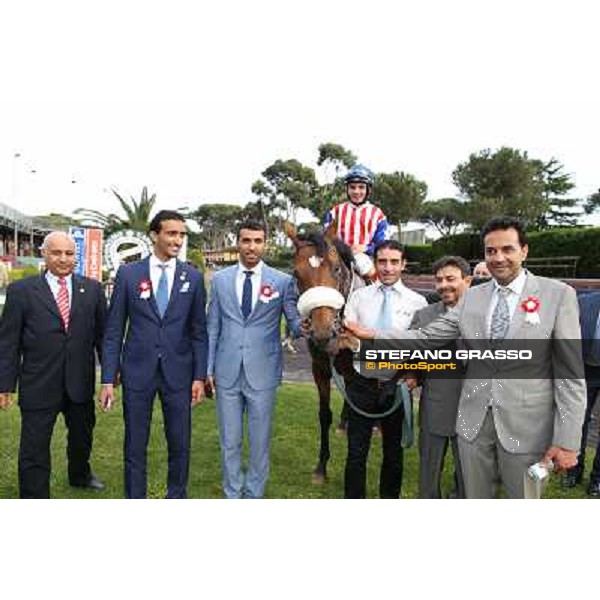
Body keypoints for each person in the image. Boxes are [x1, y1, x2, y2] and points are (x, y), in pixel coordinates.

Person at [346, 216, 586, 499]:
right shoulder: (472, 297)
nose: (498, 258)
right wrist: (370, 334)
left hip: (527, 428)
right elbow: (426, 337)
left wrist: (568, 440)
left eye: (507, 249)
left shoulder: (558, 295)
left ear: (524, 251)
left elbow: (570, 375)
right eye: (491, 251)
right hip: (472, 427)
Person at [99, 210, 208, 499]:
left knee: (180, 444)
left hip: (179, 374)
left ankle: (177, 496)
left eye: (182, 235)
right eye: (172, 233)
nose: (178, 240)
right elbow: (113, 331)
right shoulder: (128, 274)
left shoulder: (193, 278)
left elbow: (199, 333)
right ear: (154, 235)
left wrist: (199, 377)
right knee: (134, 444)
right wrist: (107, 378)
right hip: (137, 373)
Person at [0, 231, 107, 498]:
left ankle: (80, 475)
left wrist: (109, 376)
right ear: (44, 254)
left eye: (69, 253)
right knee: (34, 447)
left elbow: (103, 337)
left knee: (82, 438)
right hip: (38, 383)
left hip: (79, 383)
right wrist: (5, 385)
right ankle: (35, 497)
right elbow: (8, 343)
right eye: (56, 253)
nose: (63, 259)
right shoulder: (21, 292)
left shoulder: (93, 290)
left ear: (76, 257)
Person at [206, 220, 301, 499]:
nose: (251, 247)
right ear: (238, 242)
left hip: (263, 372)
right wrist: (208, 368)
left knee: (259, 442)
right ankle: (233, 492)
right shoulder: (220, 280)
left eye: (257, 241)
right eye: (246, 240)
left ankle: (254, 493)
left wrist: (306, 324)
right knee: (229, 440)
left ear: (265, 244)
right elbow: (213, 327)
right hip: (226, 371)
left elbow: (294, 323)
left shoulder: (282, 282)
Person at [342, 240, 427, 498]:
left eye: (393, 262)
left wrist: (415, 374)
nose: (388, 268)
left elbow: (422, 346)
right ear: (375, 263)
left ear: (403, 264)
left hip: (396, 386)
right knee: (356, 452)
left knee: (393, 452)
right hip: (360, 385)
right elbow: (348, 339)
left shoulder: (418, 302)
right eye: (382, 262)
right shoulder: (357, 298)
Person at [409, 256, 471, 499]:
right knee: (428, 476)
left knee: (472, 478)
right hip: (436, 407)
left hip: (477, 412)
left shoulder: (487, 313)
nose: (444, 285)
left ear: (468, 280)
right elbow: (411, 357)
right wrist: (412, 373)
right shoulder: (423, 316)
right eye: (439, 280)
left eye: (451, 279)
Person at [323, 164, 390, 280]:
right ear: (347, 189)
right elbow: (326, 237)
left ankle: (376, 292)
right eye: (352, 187)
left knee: (363, 264)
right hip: (336, 256)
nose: (356, 191)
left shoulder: (377, 214)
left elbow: (383, 244)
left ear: (368, 189)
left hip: (363, 257)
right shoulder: (335, 211)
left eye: (361, 187)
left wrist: (366, 248)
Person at [563, 290, 600, 496]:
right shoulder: (584, 302)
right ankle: (573, 470)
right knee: (579, 421)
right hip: (585, 370)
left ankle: (598, 478)